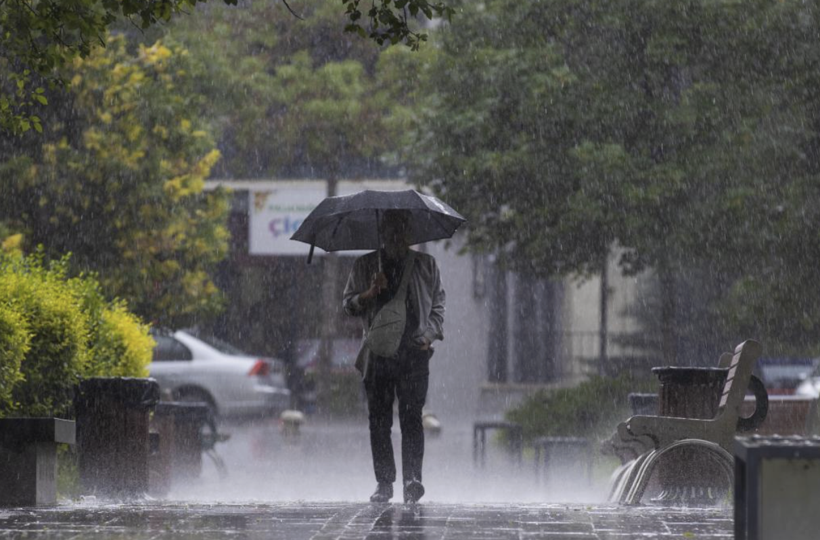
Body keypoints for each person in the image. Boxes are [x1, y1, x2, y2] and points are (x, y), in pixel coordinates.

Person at [343, 209, 446, 504]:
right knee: (378, 420)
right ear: (382, 233)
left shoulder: (426, 265)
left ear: (408, 233)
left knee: (412, 417)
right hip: (378, 355)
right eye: (389, 230)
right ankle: (385, 483)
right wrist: (369, 293)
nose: (394, 236)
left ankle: (413, 480)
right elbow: (348, 305)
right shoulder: (365, 265)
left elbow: (439, 304)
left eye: (400, 229)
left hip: (415, 353)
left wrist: (429, 335)